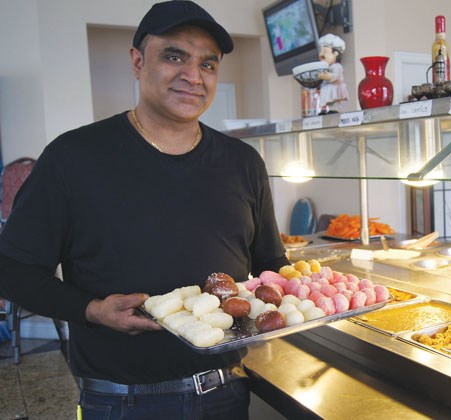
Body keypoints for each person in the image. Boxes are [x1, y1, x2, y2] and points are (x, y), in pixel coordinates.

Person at [0, 1, 289, 418]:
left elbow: (270, 264)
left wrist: (313, 292)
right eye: (174, 56)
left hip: (226, 391)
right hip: (121, 401)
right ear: (137, 62)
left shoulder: (243, 162)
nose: (193, 76)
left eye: (208, 64)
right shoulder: (73, 157)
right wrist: (92, 310)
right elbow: (12, 268)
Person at [316, 34, 348, 114]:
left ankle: (335, 110)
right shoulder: (325, 67)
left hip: (335, 88)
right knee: (327, 99)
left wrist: (323, 76)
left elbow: (334, 76)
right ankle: (325, 110)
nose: (321, 54)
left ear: (336, 53)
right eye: (321, 51)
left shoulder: (337, 67)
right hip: (327, 88)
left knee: (335, 101)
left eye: (325, 51)